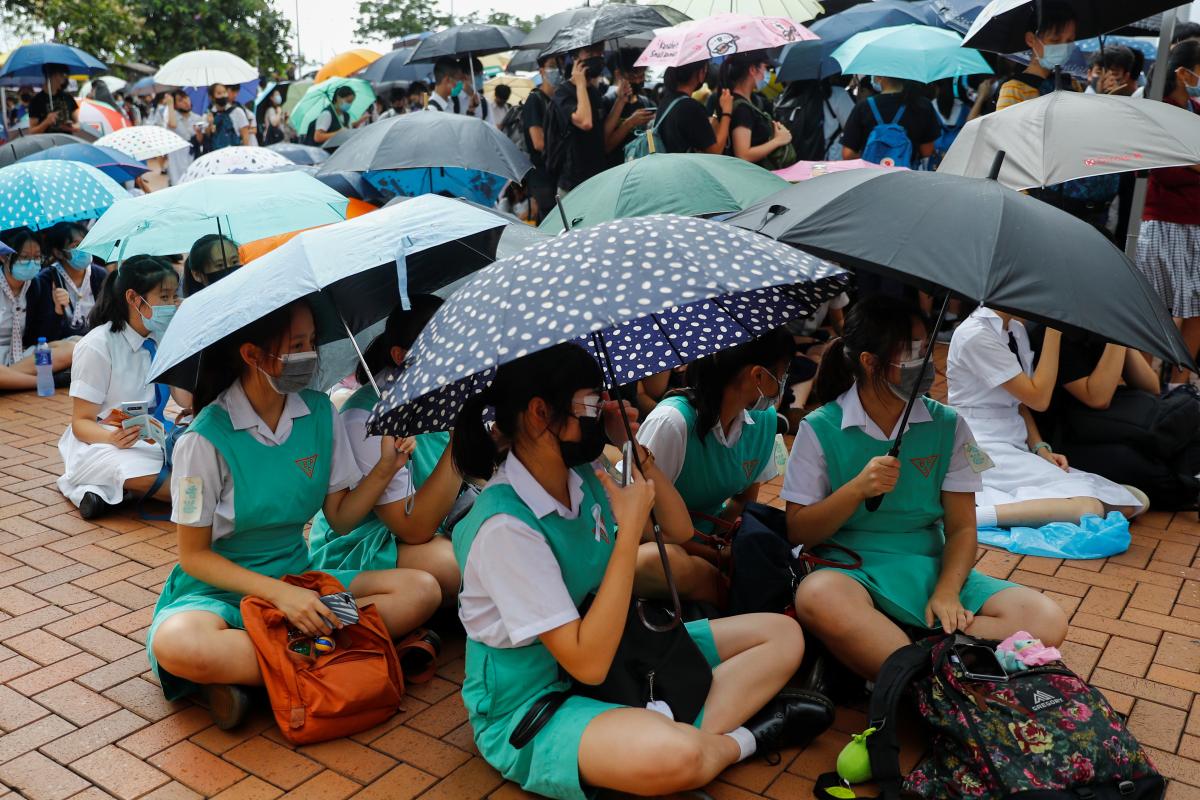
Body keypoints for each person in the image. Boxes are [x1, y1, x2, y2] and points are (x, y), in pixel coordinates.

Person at [451, 341, 831, 800]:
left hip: (624, 655)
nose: (605, 408)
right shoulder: (504, 527)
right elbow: (585, 662)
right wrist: (629, 530)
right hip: (537, 701)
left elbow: (678, 525)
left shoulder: (583, 469)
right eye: (592, 403)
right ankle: (739, 741)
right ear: (538, 413)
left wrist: (630, 448)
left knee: (782, 635)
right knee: (681, 757)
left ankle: (663, 735)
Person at [146, 297, 442, 727]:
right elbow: (194, 557)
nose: (309, 354)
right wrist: (280, 596)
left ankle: (262, 672)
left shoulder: (321, 412)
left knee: (421, 590)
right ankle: (335, 657)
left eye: (312, 342)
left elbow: (340, 517)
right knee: (179, 645)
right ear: (252, 355)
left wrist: (384, 469)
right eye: (296, 344)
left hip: (301, 581)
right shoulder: (203, 440)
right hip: (217, 598)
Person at [785, 296, 1068, 680]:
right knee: (817, 596)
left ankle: (905, 662)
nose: (928, 365)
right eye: (913, 354)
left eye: (927, 349)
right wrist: (854, 490)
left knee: (1046, 620)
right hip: (852, 571)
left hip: (932, 570)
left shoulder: (949, 425)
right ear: (870, 362)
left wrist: (948, 592)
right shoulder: (819, 428)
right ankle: (948, 664)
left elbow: (964, 528)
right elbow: (799, 531)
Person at [309, 297, 461, 601]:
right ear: (401, 356)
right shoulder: (366, 419)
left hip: (435, 524)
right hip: (366, 543)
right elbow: (413, 528)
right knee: (459, 566)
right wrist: (464, 441)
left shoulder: (444, 392)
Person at [947, 306, 1146, 528]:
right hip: (978, 445)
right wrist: (1053, 329)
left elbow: (1019, 403)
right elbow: (1039, 399)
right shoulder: (975, 334)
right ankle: (969, 519)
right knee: (1090, 507)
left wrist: (1040, 447)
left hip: (1012, 444)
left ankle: (999, 510)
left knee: (1133, 501)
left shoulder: (1014, 329)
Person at [635, 330, 793, 607]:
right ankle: (731, 599)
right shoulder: (672, 423)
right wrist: (715, 556)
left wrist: (725, 543)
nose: (783, 384)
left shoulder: (765, 420)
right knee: (665, 562)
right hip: (657, 544)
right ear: (758, 376)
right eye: (781, 374)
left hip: (714, 546)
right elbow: (638, 523)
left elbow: (744, 498)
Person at [57, 256, 181, 519]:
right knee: (171, 481)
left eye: (174, 297)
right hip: (100, 442)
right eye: (165, 297)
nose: (172, 305)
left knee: (200, 458)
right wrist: (112, 438)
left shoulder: (164, 338)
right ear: (134, 299)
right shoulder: (97, 346)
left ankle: (105, 494)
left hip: (155, 436)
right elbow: (81, 423)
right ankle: (103, 487)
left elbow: (184, 399)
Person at [1135, 40, 1200, 385]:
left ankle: (1179, 384)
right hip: (1162, 223)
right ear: (1183, 72)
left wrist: (1189, 162)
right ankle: (1144, 386)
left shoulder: (1195, 108)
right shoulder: (1154, 112)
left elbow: (1177, 166)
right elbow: (1163, 170)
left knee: (1197, 310)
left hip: (1195, 224)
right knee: (1156, 309)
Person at [0, 229, 73, 391]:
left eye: (37, 257)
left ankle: (10, 380)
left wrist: (57, 311)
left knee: (74, 345)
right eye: (24, 257)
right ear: (4, 257)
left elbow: (41, 338)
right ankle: (45, 382)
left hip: (22, 357)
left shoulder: (35, 285)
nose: (32, 263)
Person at [26, 222, 107, 343]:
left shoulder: (100, 275)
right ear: (58, 252)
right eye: (76, 245)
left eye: (86, 242)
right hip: (63, 348)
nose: (84, 248)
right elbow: (42, 336)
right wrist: (57, 311)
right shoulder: (45, 281)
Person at [547, 45, 610, 193]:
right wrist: (580, 84)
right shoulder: (563, 93)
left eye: (599, 52)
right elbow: (585, 122)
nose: (597, 56)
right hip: (573, 185)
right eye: (589, 52)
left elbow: (601, 132)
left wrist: (620, 101)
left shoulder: (594, 93)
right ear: (575, 59)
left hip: (597, 178)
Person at [840, 75, 940, 167]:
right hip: (908, 178)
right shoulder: (922, 106)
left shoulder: (864, 107)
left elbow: (848, 154)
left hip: (872, 180)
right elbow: (927, 151)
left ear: (879, 77)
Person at [995, 2, 1078, 109]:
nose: (1064, 47)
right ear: (1031, 39)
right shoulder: (1014, 90)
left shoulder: (1072, 83)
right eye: (1055, 40)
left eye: (1069, 41)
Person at [721, 54, 795, 168]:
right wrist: (778, 140)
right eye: (766, 68)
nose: (767, 74)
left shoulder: (747, 102)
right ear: (752, 70)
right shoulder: (742, 109)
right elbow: (743, 155)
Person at [653, 60, 732, 155]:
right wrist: (726, 112)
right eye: (705, 69)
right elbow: (715, 151)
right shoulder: (690, 107)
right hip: (685, 168)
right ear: (700, 73)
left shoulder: (666, 100)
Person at [522, 56, 561, 222]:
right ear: (541, 71)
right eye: (551, 66)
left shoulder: (557, 100)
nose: (556, 71)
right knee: (550, 222)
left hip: (556, 173)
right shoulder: (534, 100)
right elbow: (538, 142)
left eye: (558, 66)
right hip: (542, 176)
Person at [602, 49, 656, 166]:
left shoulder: (648, 103)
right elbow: (606, 147)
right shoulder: (608, 103)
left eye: (641, 76)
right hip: (616, 169)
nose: (637, 81)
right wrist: (630, 123)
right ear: (618, 75)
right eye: (632, 77)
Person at [156, 89, 206, 186]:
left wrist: (199, 133)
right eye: (180, 100)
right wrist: (170, 104)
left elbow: (200, 141)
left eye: (186, 98)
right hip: (176, 158)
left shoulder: (197, 118)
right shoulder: (172, 116)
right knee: (178, 184)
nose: (185, 102)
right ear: (175, 105)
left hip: (192, 155)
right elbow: (172, 124)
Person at [28, 64, 79, 135]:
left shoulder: (68, 98)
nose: (65, 77)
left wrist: (70, 127)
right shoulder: (36, 101)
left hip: (67, 143)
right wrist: (46, 122)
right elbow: (31, 131)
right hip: (47, 144)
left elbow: (78, 125)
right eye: (62, 74)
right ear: (52, 74)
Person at [206, 84, 253, 151]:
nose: (223, 95)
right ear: (212, 97)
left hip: (236, 152)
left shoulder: (237, 111)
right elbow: (208, 137)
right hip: (217, 154)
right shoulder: (209, 115)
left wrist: (246, 152)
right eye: (219, 93)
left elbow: (245, 135)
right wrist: (210, 124)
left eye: (224, 92)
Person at [458, 57, 490, 122]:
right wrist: (470, 111)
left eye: (481, 74)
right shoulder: (454, 101)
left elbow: (491, 127)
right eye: (475, 74)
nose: (480, 78)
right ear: (463, 76)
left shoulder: (484, 102)